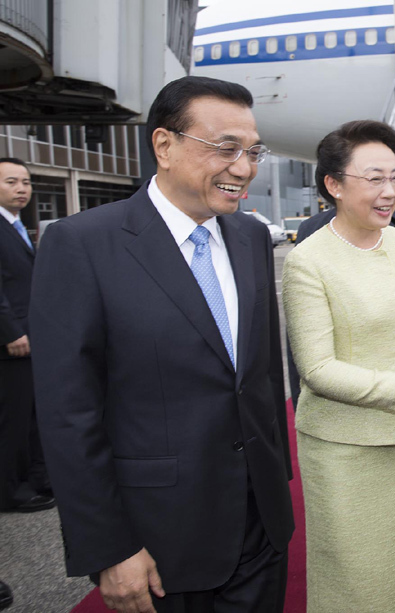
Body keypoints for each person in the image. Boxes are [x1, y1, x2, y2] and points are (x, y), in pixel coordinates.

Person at [30, 76, 295, 613]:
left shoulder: (248, 237)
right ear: (164, 145)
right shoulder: (82, 245)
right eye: (226, 148)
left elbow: (261, 374)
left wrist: (276, 478)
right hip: (159, 535)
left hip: (260, 523)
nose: (243, 168)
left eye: (253, 152)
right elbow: (68, 415)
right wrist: (109, 546)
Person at [281, 120, 395, 613]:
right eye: (374, 179)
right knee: (353, 586)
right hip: (343, 448)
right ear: (334, 185)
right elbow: (317, 370)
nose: (389, 192)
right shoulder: (308, 261)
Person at [0, 157, 54, 514]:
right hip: (12, 342)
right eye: (11, 182)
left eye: (26, 182)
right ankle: (10, 490)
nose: (21, 189)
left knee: (33, 416)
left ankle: (37, 478)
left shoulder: (17, 225)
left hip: (29, 338)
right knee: (12, 420)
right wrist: (11, 331)